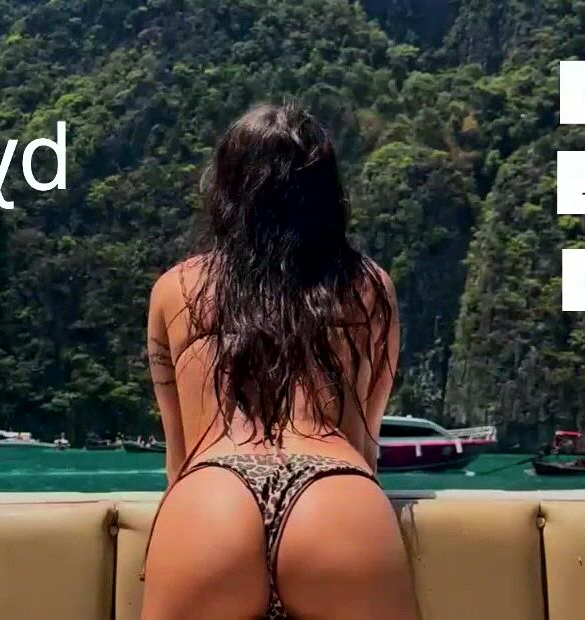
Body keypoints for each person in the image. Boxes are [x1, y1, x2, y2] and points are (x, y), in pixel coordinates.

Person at [139, 103, 417, 620]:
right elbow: (365, 441)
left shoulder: (174, 289)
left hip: (211, 495)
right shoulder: (369, 286)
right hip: (334, 492)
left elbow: (178, 457)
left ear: (225, 188)